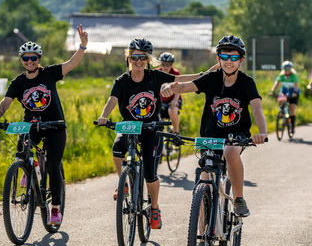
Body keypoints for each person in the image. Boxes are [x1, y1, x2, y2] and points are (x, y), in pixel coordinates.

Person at [0, 26, 89, 226]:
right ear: (21, 60)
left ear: (39, 59)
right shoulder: (18, 82)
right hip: (32, 125)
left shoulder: (49, 73)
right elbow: (5, 102)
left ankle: (55, 209)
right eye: (26, 58)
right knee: (22, 146)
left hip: (55, 126)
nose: (30, 61)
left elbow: (72, 63)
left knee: (52, 165)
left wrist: (82, 46)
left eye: (33, 58)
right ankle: (27, 168)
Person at [97, 39, 203, 229]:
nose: (138, 61)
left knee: (150, 173)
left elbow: (180, 79)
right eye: (135, 57)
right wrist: (104, 116)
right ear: (129, 58)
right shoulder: (122, 81)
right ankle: (123, 182)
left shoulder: (155, 76)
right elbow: (112, 99)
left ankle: (154, 208)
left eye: (143, 58)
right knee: (117, 148)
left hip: (151, 128)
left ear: (148, 59)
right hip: (130, 126)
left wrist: (206, 74)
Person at [160, 35, 268, 217]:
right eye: (224, 57)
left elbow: (257, 108)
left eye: (234, 57)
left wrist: (262, 131)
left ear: (241, 60)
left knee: (230, 152)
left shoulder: (246, 82)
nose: (229, 61)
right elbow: (185, 87)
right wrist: (169, 87)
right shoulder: (211, 78)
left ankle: (239, 199)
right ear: (218, 59)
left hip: (236, 133)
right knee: (204, 183)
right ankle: (202, 231)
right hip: (210, 133)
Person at [271, 60, 299, 134]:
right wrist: (273, 91)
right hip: (284, 92)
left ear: (291, 68)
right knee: (280, 100)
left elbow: (296, 85)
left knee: (292, 109)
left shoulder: (294, 76)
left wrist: (295, 92)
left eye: (289, 68)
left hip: (293, 93)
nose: (287, 70)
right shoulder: (281, 76)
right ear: (283, 69)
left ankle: (292, 126)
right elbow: (276, 83)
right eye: (286, 68)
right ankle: (282, 113)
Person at [157, 52, 182, 133]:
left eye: (168, 65)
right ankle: (159, 133)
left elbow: (179, 88)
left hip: (174, 98)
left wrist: (174, 101)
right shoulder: (157, 73)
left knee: (172, 109)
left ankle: (176, 132)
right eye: (163, 64)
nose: (166, 67)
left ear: (171, 65)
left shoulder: (175, 73)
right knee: (158, 113)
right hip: (161, 100)